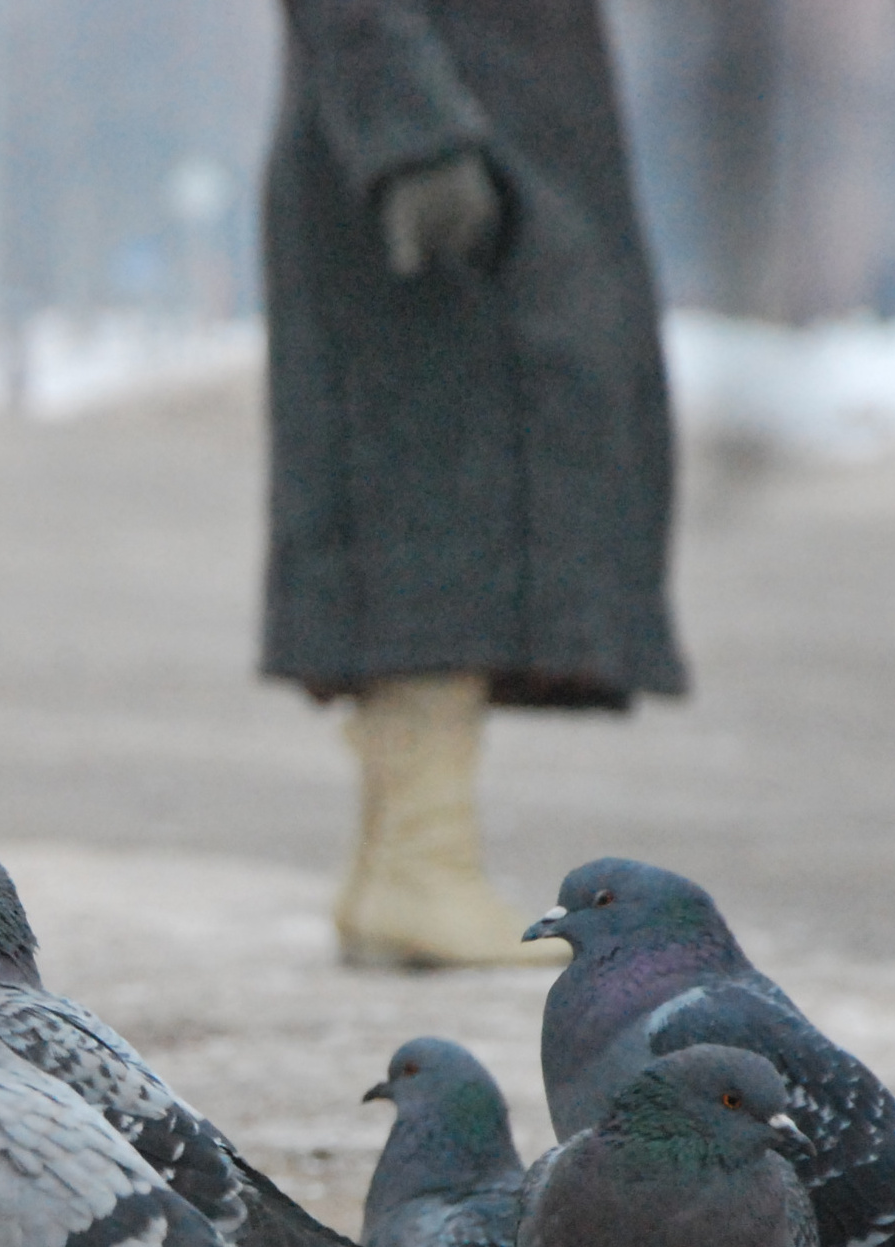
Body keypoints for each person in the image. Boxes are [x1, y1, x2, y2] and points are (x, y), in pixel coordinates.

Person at [264, 0, 685, 969]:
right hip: (434, 160)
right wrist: (413, 133)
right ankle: (422, 859)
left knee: (458, 491)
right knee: (430, 494)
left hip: (482, 148)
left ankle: (394, 865)